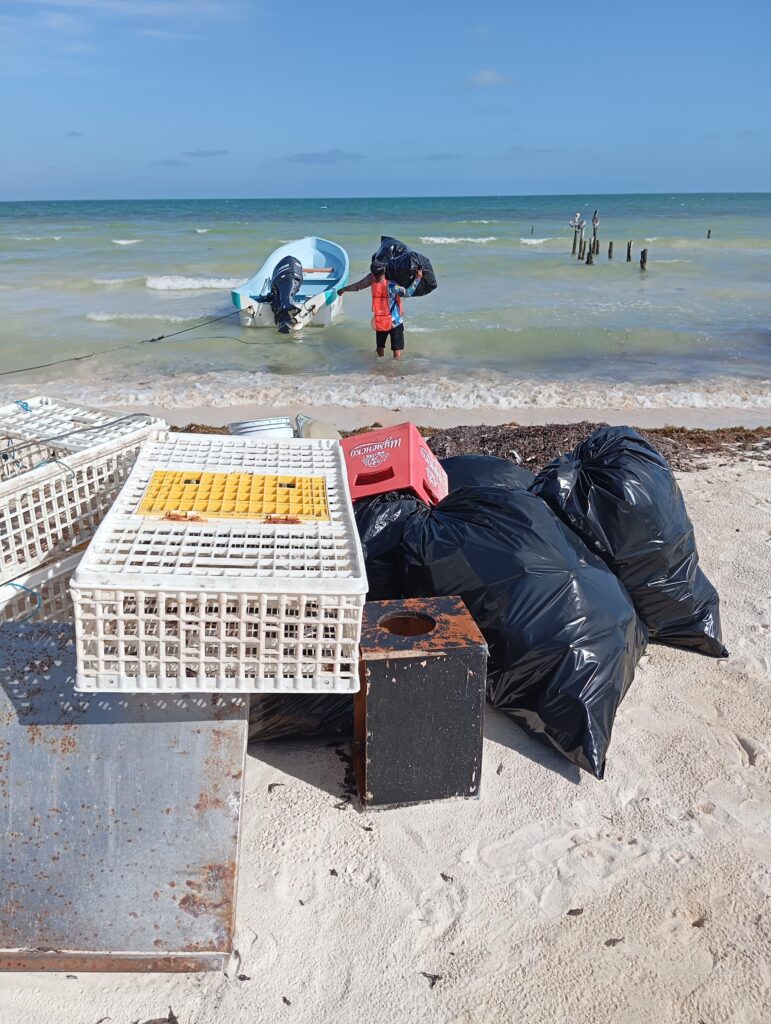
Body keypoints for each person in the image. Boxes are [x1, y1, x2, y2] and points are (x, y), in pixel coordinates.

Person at [338, 260, 422, 360]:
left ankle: (379, 367)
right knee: (396, 350)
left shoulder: (371, 280)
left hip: (381, 320)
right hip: (395, 321)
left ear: (372, 273)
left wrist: (343, 289)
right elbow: (407, 293)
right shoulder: (392, 286)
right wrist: (418, 279)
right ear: (384, 271)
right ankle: (398, 369)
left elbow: (357, 286)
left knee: (379, 348)